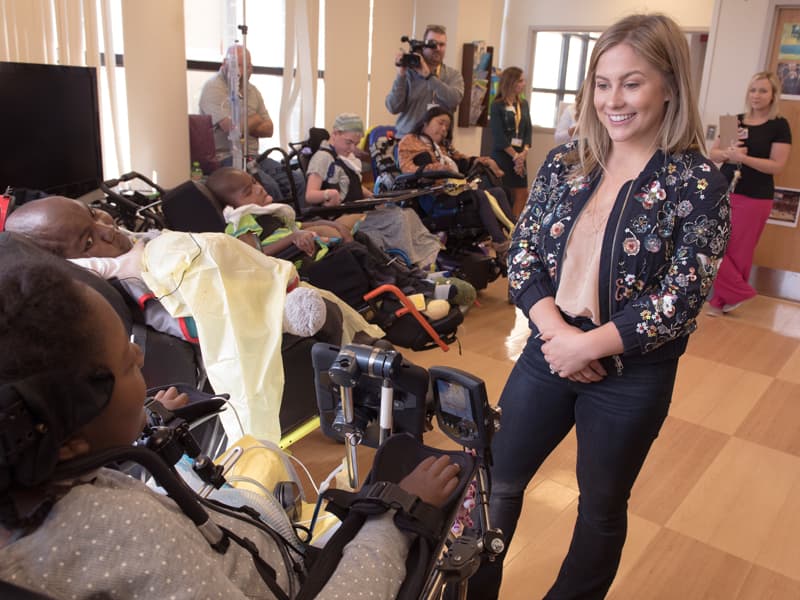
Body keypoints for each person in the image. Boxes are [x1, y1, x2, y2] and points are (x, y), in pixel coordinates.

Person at [0, 261, 462, 599]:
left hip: (227, 539)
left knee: (258, 451)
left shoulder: (41, 481)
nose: (141, 357)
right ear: (70, 438)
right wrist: (391, 522)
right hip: (292, 582)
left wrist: (144, 422)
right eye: (127, 361)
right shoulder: (126, 536)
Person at [467, 14, 730, 599]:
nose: (614, 99)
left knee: (600, 508)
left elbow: (683, 296)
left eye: (632, 83)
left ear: (668, 85)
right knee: (494, 483)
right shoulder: (567, 162)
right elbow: (524, 255)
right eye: (603, 82)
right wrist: (558, 335)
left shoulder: (697, 183)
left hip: (631, 373)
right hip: (548, 348)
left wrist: (589, 345)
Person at [5, 197, 384, 442]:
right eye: (89, 241)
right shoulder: (131, 279)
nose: (107, 228)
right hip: (249, 312)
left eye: (94, 212)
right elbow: (198, 321)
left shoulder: (135, 242)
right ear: (78, 263)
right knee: (328, 314)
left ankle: (370, 367)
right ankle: (351, 405)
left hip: (267, 284)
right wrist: (259, 306)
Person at [304, 113, 444, 270]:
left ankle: (425, 259)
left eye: (355, 144)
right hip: (340, 215)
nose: (352, 149)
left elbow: (353, 185)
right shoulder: (323, 157)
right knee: (397, 218)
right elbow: (309, 195)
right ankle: (410, 264)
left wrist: (373, 197)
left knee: (407, 212)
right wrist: (328, 194)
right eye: (348, 143)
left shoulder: (345, 157)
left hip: (356, 209)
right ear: (336, 133)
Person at [706, 72, 791, 316]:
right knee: (708, 242)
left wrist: (743, 158)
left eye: (763, 91)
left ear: (773, 95)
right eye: (753, 90)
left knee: (738, 250)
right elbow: (714, 154)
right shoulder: (735, 122)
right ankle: (738, 293)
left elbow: (777, 165)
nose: (756, 95)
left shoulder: (778, 126)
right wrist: (727, 154)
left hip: (756, 196)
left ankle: (720, 302)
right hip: (724, 189)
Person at [398, 106, 515, 254]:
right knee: (479, 195)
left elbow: (463, 161)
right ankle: (501, 243)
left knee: (499, 192)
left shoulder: (443, 147)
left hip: (454, 192)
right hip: (433, 197)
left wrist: (485, 161)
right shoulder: (410, 141)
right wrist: (438, 168)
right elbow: (407, 169)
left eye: (447, 126)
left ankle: (517, 234)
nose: (444, 129)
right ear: (426, 122)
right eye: (441, 123)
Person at [199, 44, 274, 166]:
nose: (241, 71)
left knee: (294, 178)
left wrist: (246, 126)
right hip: (226, 157)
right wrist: (256, 119)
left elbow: (269, 130)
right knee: (268, 185)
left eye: (247, 66)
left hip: (253, 156)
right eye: (238, 65)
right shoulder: (214, 87)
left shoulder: (252, 91)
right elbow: (232, 129)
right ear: (224, 63)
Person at [385, 24, 465, 137]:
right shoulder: (409, 73)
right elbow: (393, 107)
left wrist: (428, 76)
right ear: (423, 46)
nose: (437, 48)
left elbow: (454, 99)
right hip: (407, 140)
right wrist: (401, 74)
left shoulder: (453, 75)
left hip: (438, 144)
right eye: (432, 44)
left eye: (441, 45)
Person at [489, 66, 533, 217]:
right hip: (503, 156)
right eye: (520, 80)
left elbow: (528, 130)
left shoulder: (523, 104)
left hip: (520, 156)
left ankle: (514, 228)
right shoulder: (497, 106)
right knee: (505, 193)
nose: (523, 83)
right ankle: (503, 226)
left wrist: (524, 153)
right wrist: (515, 156)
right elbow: (498, 135)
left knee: (522, 193)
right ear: (511, 82)